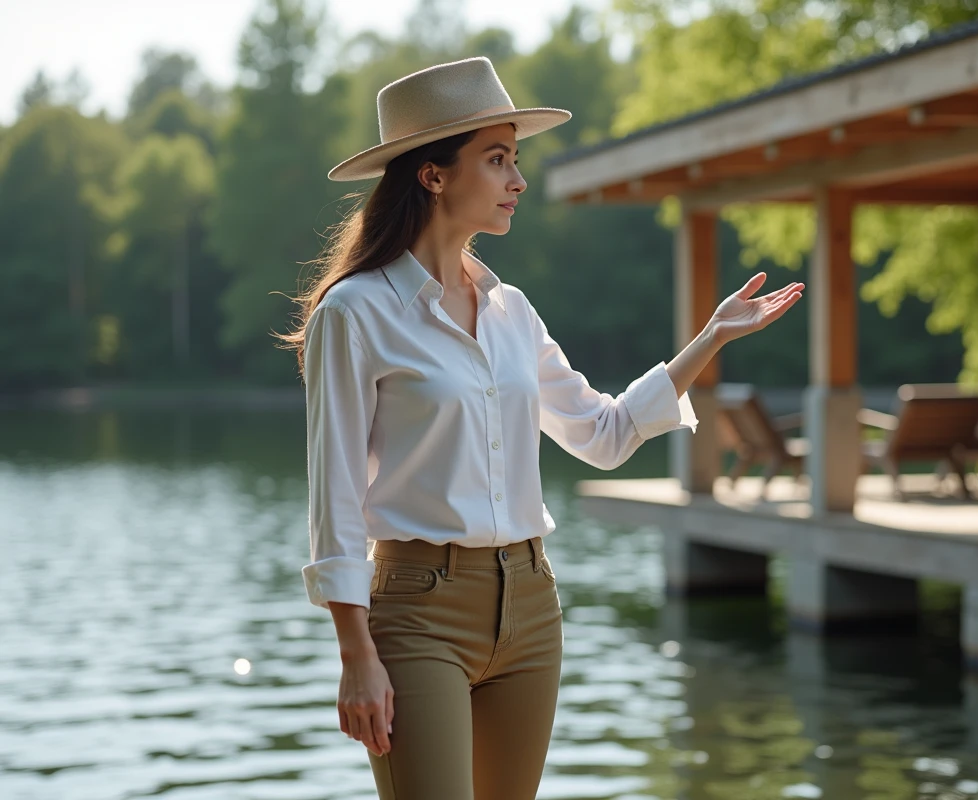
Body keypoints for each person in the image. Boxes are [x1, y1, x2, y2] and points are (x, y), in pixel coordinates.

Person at [278, 56, 804, 800]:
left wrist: (711, 338)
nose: (517, 181)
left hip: (529, 605)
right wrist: (354, 651)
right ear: (433, 174)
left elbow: (605, 432)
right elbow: (332, 498)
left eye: (514, 161)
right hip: (416, 611)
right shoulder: (355, 313)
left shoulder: (511, 311)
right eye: (497, 161)